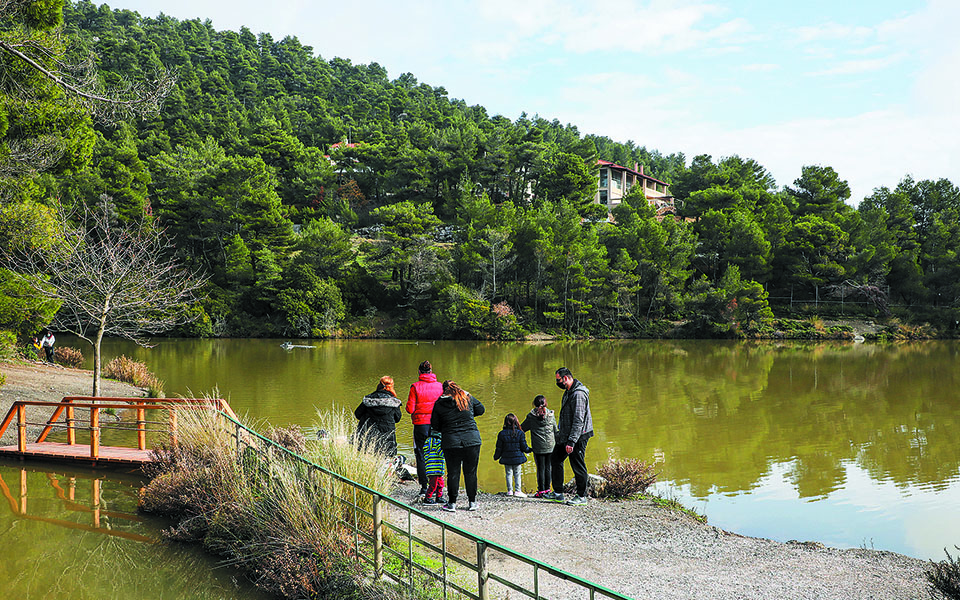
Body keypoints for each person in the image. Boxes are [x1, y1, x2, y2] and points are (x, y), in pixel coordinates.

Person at [430, 380, 484, 512]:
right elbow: (481, 409)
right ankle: (472, 503)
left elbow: (435, 426)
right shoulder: (467, 398)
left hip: (451, 441)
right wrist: (469, 414)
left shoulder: (439, 403)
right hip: (472, 439)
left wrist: (446, 424)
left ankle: (452, 504)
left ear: (443, 391)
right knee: (470, 472)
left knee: (453, 472)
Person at [546, 367, 594, 506]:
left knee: (577, 464)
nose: (557, 383)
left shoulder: (578, 394)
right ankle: (558, 493)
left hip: (578, 436)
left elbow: (579, 420)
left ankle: (581, 496)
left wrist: (572, 442)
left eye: (558, 380)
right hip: (565, 434)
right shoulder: (568, 391)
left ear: (566, 378)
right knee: (555, 459)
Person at [407, 360, 443, 495]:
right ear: (431, 371)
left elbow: (410, 409)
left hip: (420, 425)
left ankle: (424, 487)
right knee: (437, 455)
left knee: (421, 454)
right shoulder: (440, 386)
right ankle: (438, 487)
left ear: (419, 372)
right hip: (436, 426)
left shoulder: (415, 387)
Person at [354, 375, 403, 456]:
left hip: (368, 438)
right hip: (387, 440)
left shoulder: (368, 399)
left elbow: (357, 414)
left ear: (379, 385)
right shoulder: (394, 402)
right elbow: (397, 418)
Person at [521, 395, 558, 497]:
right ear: (546, 404)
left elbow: (522, 429)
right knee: (548, 468)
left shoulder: (531, 417)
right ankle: (547, 490)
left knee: (540, 468)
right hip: (551, 446)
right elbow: (555, 430)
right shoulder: (551, 415)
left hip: (538, 448)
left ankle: (541, 491)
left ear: (534, 404)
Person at [493, 413, 531, 497]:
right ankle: (518, 491)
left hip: (507, 458)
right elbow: (524, 447)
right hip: (517, 458)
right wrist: (530, 450)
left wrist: (496, 456)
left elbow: (499, 448)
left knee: (508, 473)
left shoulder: (502, 434)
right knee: (517, 474)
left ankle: (509, 491)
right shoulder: (520, 433)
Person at [421, 430, 445, 505]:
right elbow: (441, 453)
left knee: (438, 483)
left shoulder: (427, 442)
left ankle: (438, 497)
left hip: (430, 467)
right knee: (435, 485)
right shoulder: (438, 442)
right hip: (436, 467)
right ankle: (428, 498)